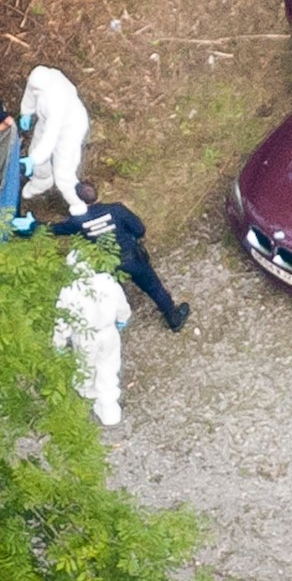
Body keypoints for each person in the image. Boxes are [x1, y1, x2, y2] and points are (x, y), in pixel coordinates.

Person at [50, 182, 191, 332]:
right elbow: (139, 229)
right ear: (98, 193)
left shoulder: (78, 222)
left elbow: (56, 229)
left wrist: (32, 226)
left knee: (113, 291)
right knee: (154, 287)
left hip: (107, 265)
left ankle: (114, 319)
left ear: (79, 200)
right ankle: (173, 318)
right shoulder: (116, 209)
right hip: (133, 258)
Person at [53, 251, 132, 426]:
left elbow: (62, 321)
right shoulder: (107, 281)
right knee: (109, 365)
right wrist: (122, 319)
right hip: (109, 332)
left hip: (84, 336)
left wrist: (59, 342)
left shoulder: (68, 291)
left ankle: (87, 394)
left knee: (85, 366)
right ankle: (109, 407)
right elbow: (121, 304)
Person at [18, 65, 90, 215]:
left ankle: (77, 203)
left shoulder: (57, 101)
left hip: (70, 129)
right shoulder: (43, 78)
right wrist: (26, 111)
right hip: (46, 121)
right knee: (35, 149)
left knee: (63, 169)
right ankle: (42, 181)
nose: (34, 90)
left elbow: (51, 136)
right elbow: (30, 92)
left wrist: (34, 159)